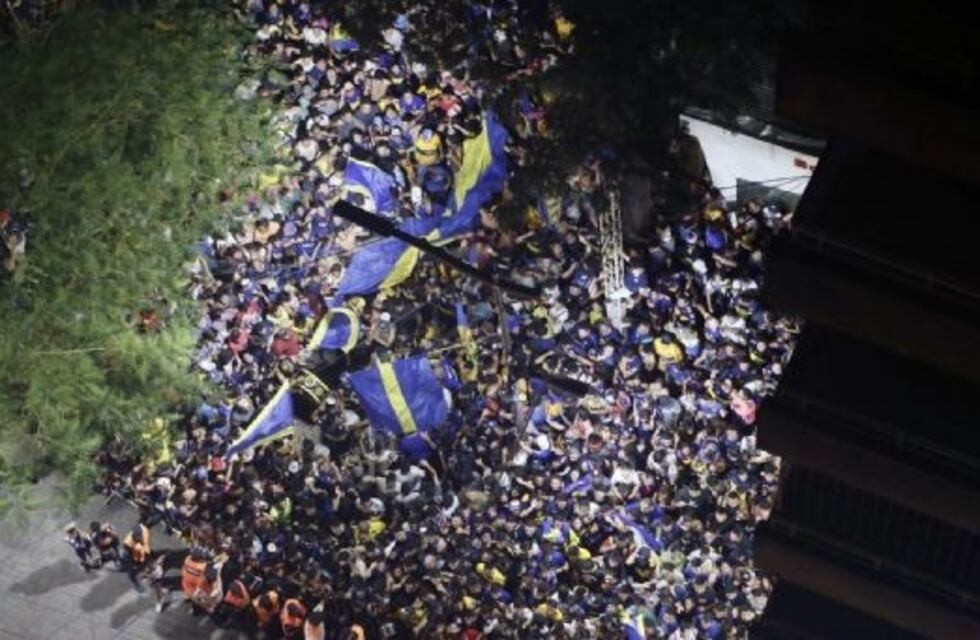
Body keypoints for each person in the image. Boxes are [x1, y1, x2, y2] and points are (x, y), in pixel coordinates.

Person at [122, 522, 151, 592]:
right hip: (131, 553)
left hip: (140, 550)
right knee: (132, 571)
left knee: (146, 560)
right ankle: (137, 584)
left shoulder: (144, 531)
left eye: (139, 535)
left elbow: (146, 544)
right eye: (137, 536)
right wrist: (135, 562)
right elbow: (131, 554)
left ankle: (145, 571)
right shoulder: (128, 543)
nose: (139, 537)